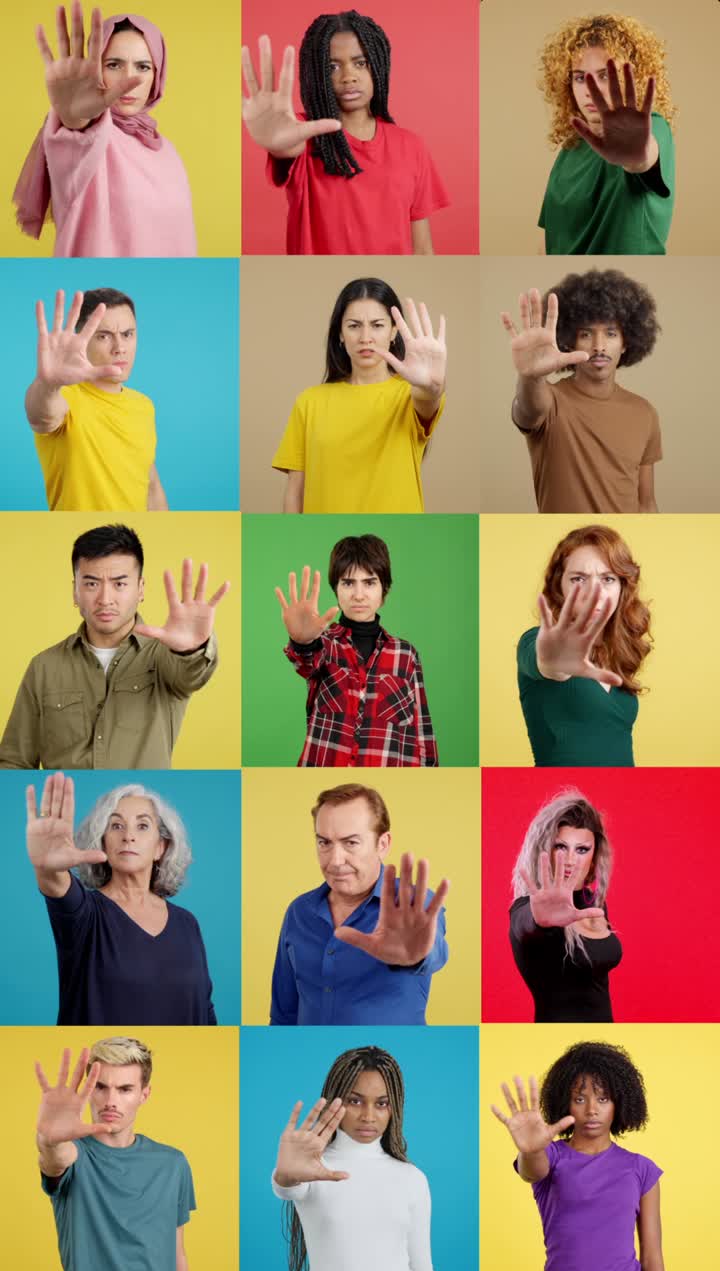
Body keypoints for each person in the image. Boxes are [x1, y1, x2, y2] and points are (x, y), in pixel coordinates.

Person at [0, 523, 229, 770]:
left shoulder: (164, 656)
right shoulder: (43, 666)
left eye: (119, 584)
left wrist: (190, 650)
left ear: (140, 589)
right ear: (75, 591)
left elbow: (191, 674)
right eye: (91, 584)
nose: (105, 599)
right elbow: (14, 762)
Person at [242, 12, 449, 255]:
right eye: (332, 66)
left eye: (360, 63)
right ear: (317, 75)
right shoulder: (304, 135)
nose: (348, 76)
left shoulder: (411, 146)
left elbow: (422, 247)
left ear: (378, 67)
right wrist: (277, 144)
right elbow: (288, 146)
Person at [27, 771, 216, 1024]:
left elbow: (204, 1010)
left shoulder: (187, 923)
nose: (129, 835)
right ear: (103, 842)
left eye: (142, 825)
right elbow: (56, 884)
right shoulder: (86, 914)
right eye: (116, 825)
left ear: (161, 847)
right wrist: (46, 865)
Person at [14, 4, 196, 257]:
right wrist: (74, 117)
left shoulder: (167, 150)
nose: (128, 78)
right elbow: (75, 143)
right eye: (113, 64)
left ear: (158, 73)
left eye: (143, 66)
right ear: (95, 67)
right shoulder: (93, 135)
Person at [271, 783, 449, 1025]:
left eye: (351, 843)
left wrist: (418, 955)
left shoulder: (411, 902)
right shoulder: (299, 911)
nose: (335, 860)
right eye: (324, 843)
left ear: (383, 844)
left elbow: (435, 950)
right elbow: (284, 1015)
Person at [491, 1041, 665, 1271]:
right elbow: (530, 1172)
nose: (592, 1109)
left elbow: (652, 1257)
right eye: (580, 1099)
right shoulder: (551, 1156)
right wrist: (530, 1150)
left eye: (603, 1099)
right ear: (565, 1103)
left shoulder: (642, 1169)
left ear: (619, 1103)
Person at [272, 278, 446, 514]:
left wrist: (432, 387)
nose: (366, 337)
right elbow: (294, 495)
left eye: (377, 325)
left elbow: (427, 399)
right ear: (340, 334)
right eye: (354, 326)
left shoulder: (408, 394)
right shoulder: (309, 402)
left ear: (394, 331)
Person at [501, 270, 661, 513]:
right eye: (586, 334)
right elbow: (527, 410)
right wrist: (529, 376)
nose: (599, 346)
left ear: (626, 342)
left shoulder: (645, 412)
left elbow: (646, 503)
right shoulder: (551, 400)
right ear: (570, 341)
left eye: (610, 333)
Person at [273, 1045, 435, 1271]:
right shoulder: (314, 1170)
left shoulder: (412, 1178)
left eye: (381, 1104)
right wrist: (285, 1176)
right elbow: (286, 1186)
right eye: (355, 1101)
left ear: (395, 1108)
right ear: (335, 1101)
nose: (368, 1116)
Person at [36, 1039, 195, 1271]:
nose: (111, 1101)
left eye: (124, 1089)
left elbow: (176, 1251)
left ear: (144, 1094)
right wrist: (49, 1141)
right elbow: (54, 1159)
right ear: (89, 1091)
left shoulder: (173, 1163)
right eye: (100, 1087)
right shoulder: (75, 1156)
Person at [275, 535, 439, 766]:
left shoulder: (405, 655)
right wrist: (303, 642)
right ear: (336, 589)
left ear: (385, 589)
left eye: (370, 582)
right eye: (348, 583)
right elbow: (306, 661)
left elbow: (422, 730)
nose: (358, 595)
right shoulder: (325, 643)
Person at [537, 14, 676, 255]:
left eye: (605, 75)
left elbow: (645, 157)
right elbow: (550, 237)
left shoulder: (651, 127)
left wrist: (638, 160)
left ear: (634, 77)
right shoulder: (573, 145)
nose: (591, 90)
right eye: (580, 78)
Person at [517, 524, 651, 767]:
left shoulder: (616, 655)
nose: (594, 592)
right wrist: (555, 660)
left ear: (622, 587)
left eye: (608, 578)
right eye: (579, 579)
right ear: (560, 587)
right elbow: (547, 661)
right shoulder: (536, 640)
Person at [27, 287, 168, 512]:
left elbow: (150, 485)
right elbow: (41, 416)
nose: (120, 348)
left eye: (127, 334)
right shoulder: (65, 396)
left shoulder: (144, 405)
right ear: (82, 341)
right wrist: (47, 384)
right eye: (103, 336)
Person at [509, 790, 621, 1022]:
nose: (570, 860)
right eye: (560, 847)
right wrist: (538, 920)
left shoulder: (594, 902)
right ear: (544, 849)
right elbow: (523, 925)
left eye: (582, 849)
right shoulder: (527, 908)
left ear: (594, 854)